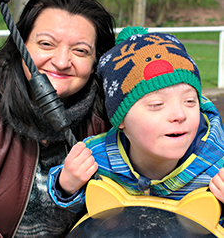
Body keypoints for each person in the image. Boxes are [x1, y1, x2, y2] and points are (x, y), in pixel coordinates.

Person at [47, 27, 224, 227]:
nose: (180, 114)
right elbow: (76, 212)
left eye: (190, 101)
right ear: (120, 119)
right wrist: (67, 187)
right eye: (157, 105)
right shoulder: (96, 157)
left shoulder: (218, 166)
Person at [0, 0, 115, 237]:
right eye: (46, 44)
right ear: (21, 46)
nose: (61, 62)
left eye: (80, 50)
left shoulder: (108, 113)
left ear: (96, 62)